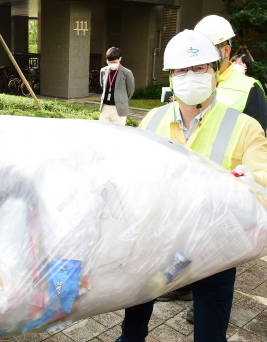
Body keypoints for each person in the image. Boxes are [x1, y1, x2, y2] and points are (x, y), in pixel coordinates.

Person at [114, 30, 267, 342]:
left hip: (216, 247)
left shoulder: (244, 126)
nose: (190, 76)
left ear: (215, 72)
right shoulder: (152, 120)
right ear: (171, 77)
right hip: (157, 238)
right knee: (134, 319)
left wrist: (252, 183)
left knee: (210, 329)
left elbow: (262, 177)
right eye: (181, 70)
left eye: (200, 68)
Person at [195, 15, 267, 132]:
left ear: (226, 51)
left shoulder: (250, 88)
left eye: (206, 49)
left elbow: (256, 142)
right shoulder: (189, 80)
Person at [98, 47, 135, 125]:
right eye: (109, 61)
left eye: (114, 61)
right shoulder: (103, 71)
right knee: (103, 130)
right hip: (105, 107)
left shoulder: (127, 72)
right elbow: (102, 85)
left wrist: (122, 100)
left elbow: (130, 90)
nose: (112, 64)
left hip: (118, 108)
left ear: (119, 59)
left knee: (118, 132)